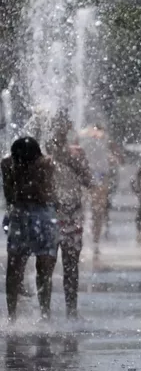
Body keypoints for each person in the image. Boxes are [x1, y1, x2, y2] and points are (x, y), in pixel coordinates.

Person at [2, 137, 57, 322]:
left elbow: (9, 196)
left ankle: (12, 317)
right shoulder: (46, 163)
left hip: (19, 215)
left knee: (14, 267)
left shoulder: (7, 164)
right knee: (44, 270)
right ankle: (45, 315)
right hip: (43, 216)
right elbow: (47, 193)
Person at [46, 112, 93, 319]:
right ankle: (44, 313)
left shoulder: (77, 153)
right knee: (45, 264)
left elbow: (88, 180)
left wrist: (75, 163)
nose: (61, 129)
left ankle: (71, 311)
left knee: (71, 265)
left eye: (64, 125)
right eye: (58, 125)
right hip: (49, 215)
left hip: (72, 214)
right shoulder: (42, 155)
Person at [78, 124, 119, 255]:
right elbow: (117, 156)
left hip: (91, 175)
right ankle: (93, 242)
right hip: (97, 175)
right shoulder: (102, 137)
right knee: (96, 211)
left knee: (88, 210)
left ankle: (88, 241)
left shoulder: (84, 136)